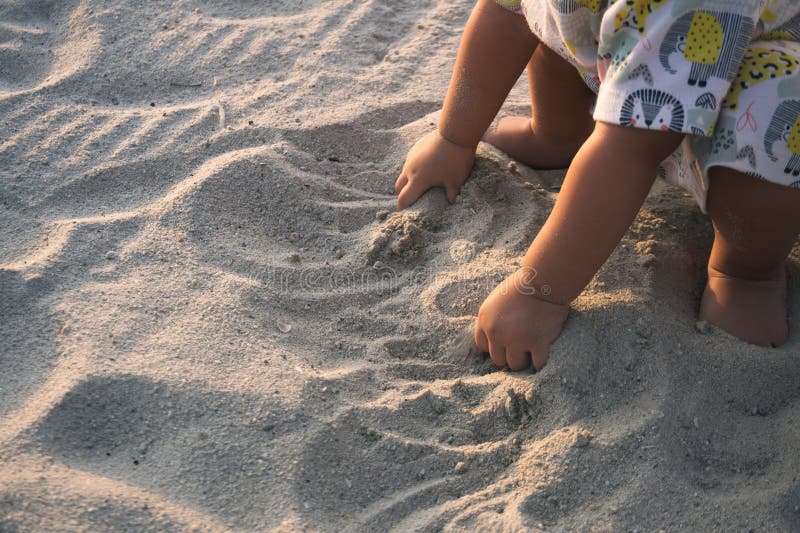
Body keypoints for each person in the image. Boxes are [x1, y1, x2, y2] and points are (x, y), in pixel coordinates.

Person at [394, 0, 800, 371]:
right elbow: (506, 11)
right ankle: (559, 133)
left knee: (774, 114)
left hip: (753, 69)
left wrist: (539, 290)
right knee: (558, 12)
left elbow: (634, 145)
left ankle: (747, 272)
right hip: (634, 59)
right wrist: (454, 138)